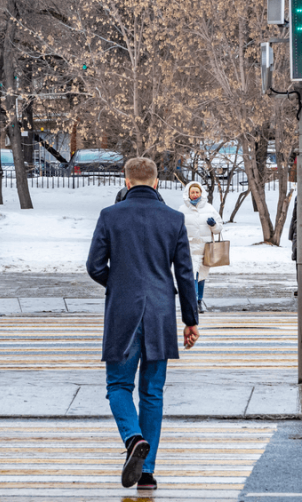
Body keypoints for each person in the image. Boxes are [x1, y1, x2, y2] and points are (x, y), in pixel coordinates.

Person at [86, 157, 199, 491]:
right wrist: (190, 320)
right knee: (153, 392)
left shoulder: (110, 216)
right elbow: (185, 274)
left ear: (126, 180)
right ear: (156, 181)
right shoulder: (174, 219)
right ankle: (146, 472)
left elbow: (94, 266)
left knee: (119, 386)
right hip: (161, 312)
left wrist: (120, 283)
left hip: (123, 311)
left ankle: (133, 438)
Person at [178, 181, 222, 313]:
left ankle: (199, 301)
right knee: (192, 276)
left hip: (205, 249)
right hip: (189, 248)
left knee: (201, 276)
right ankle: (194, 302)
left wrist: (214, 225)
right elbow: (176, 229)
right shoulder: (182, 210)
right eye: (192, 192)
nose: (195, 194)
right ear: (188, 193)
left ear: (201, 193)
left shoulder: (209, 209)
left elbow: (219, 228)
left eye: (197, 192)